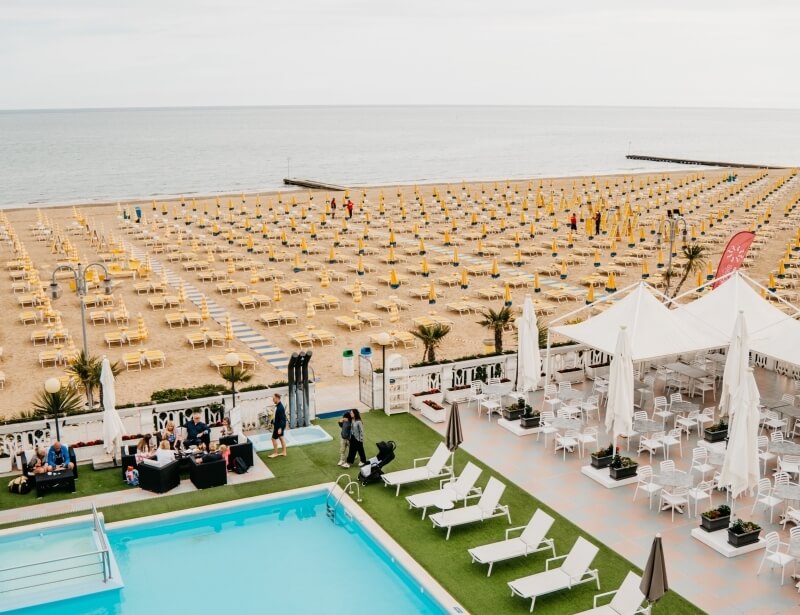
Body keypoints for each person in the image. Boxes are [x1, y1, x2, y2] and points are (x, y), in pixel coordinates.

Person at [268, 393, 287, 458]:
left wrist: (280, 428)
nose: (273, 400)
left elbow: (282, 419)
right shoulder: (278, 406)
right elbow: (277, 417)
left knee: (273, 439)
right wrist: (272, 421)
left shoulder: (280, 408)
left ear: (277, 398)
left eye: (273, 399)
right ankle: (284, 452)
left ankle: (275, 453)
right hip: (279, 425)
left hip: (279, 426)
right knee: (281, 438)